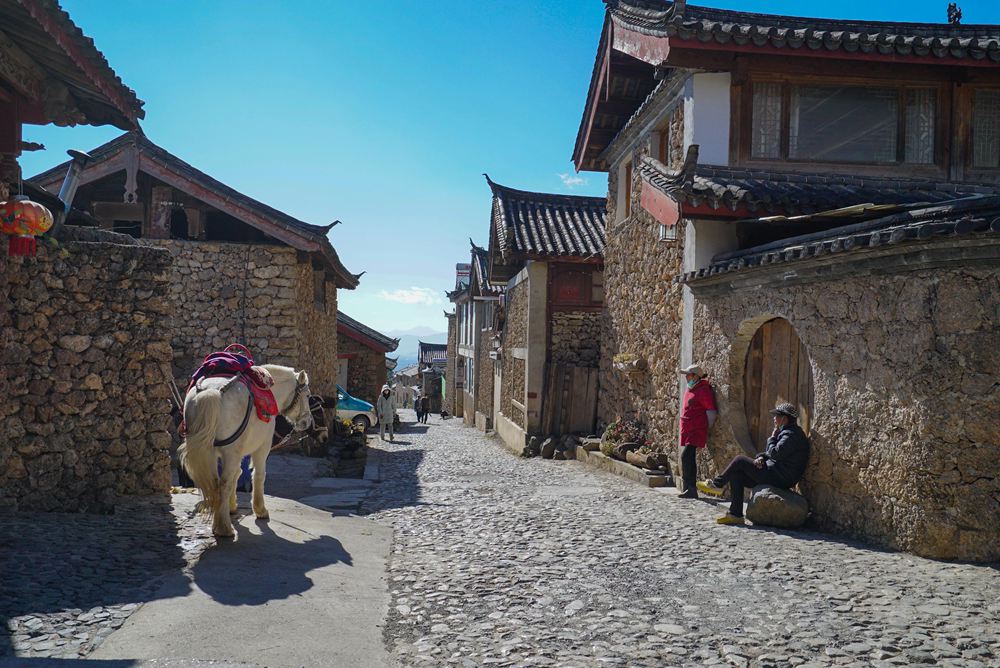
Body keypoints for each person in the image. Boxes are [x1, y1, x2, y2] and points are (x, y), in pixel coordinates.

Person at [698, 402, 810, 525]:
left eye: (776, 415)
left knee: (740, 460)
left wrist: (772, 438)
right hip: (777, 473)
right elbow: (773, 454)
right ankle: (735, 515)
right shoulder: (789, 433)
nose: (774, 418)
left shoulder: (791, 435)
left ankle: (717, 484)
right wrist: (761, 458)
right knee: (737, 474)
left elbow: (775, 453)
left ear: (784, 418)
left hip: (781, 477)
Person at [676, 363, 717, 499]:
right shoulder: (691, 389)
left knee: (686, 456)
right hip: (689, 429)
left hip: (697, 429)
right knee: (688, 457)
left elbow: (710, 411)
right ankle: (688, 488)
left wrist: (706, 428)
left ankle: (691, 488)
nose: (687, 377)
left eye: (689, 375)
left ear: (695, 376)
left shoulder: (703, 390)